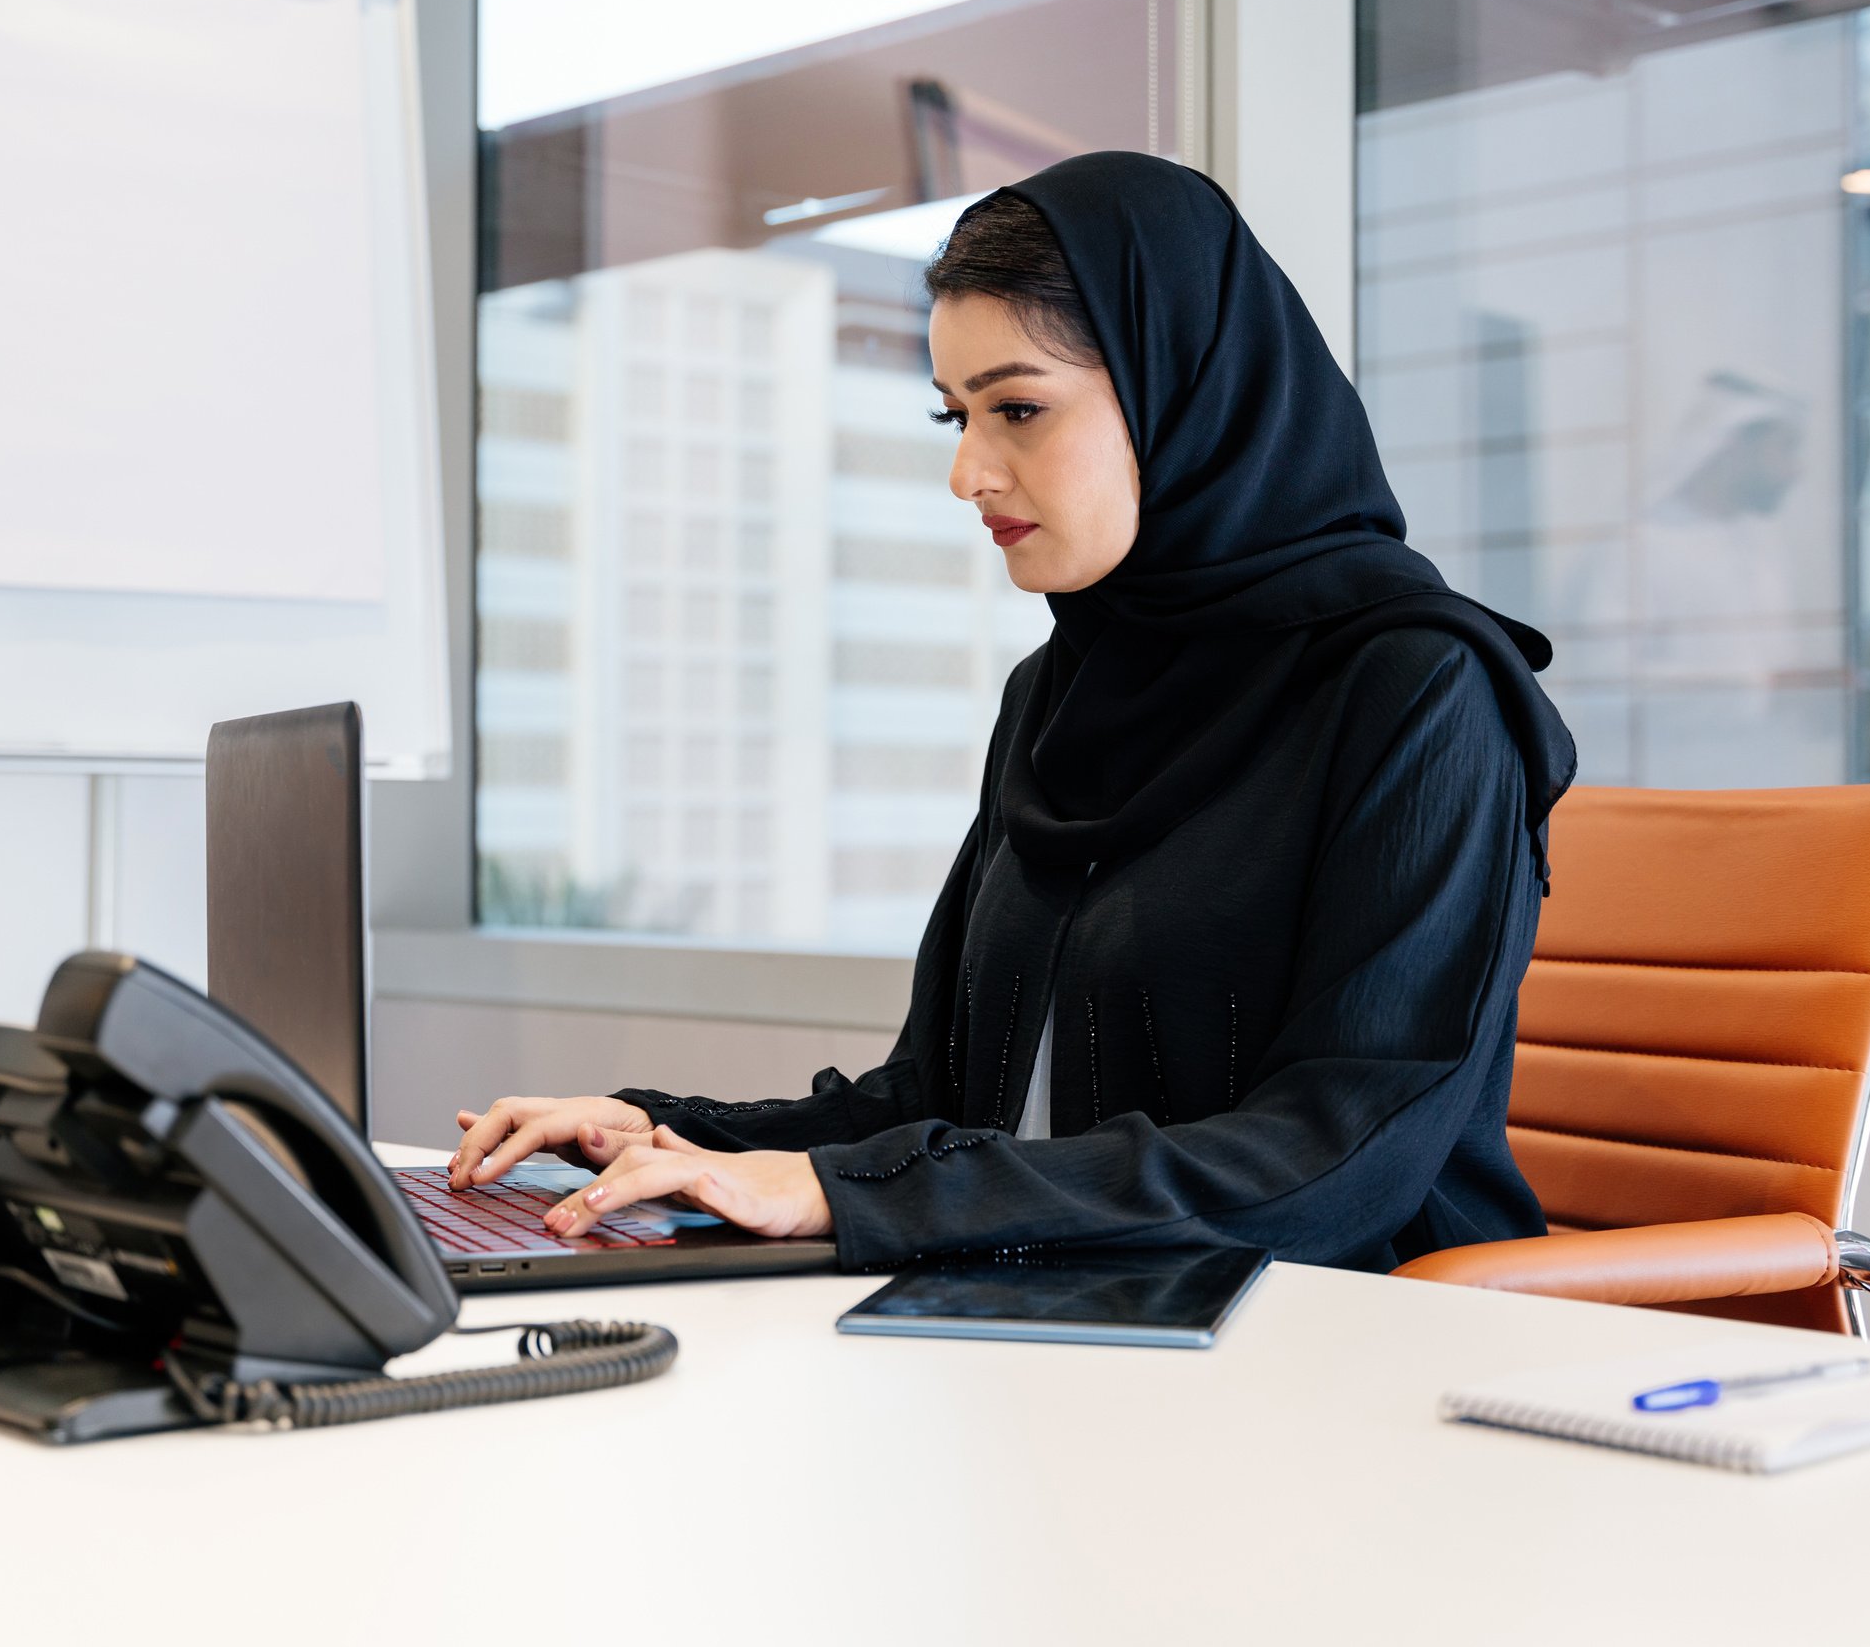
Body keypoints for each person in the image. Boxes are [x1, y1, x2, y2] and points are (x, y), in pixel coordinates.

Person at [448, 151, 1578, 1273]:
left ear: (1180, 385)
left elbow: (1338, 1161)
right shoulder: (1056, 692)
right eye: (957, 418)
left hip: (1344, 1342)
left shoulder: (1419, 689)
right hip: (1072, 1312)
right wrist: (666, 1140)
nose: (969, 473)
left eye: (1020, 409)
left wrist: (852, 1193)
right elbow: (934, 1098)